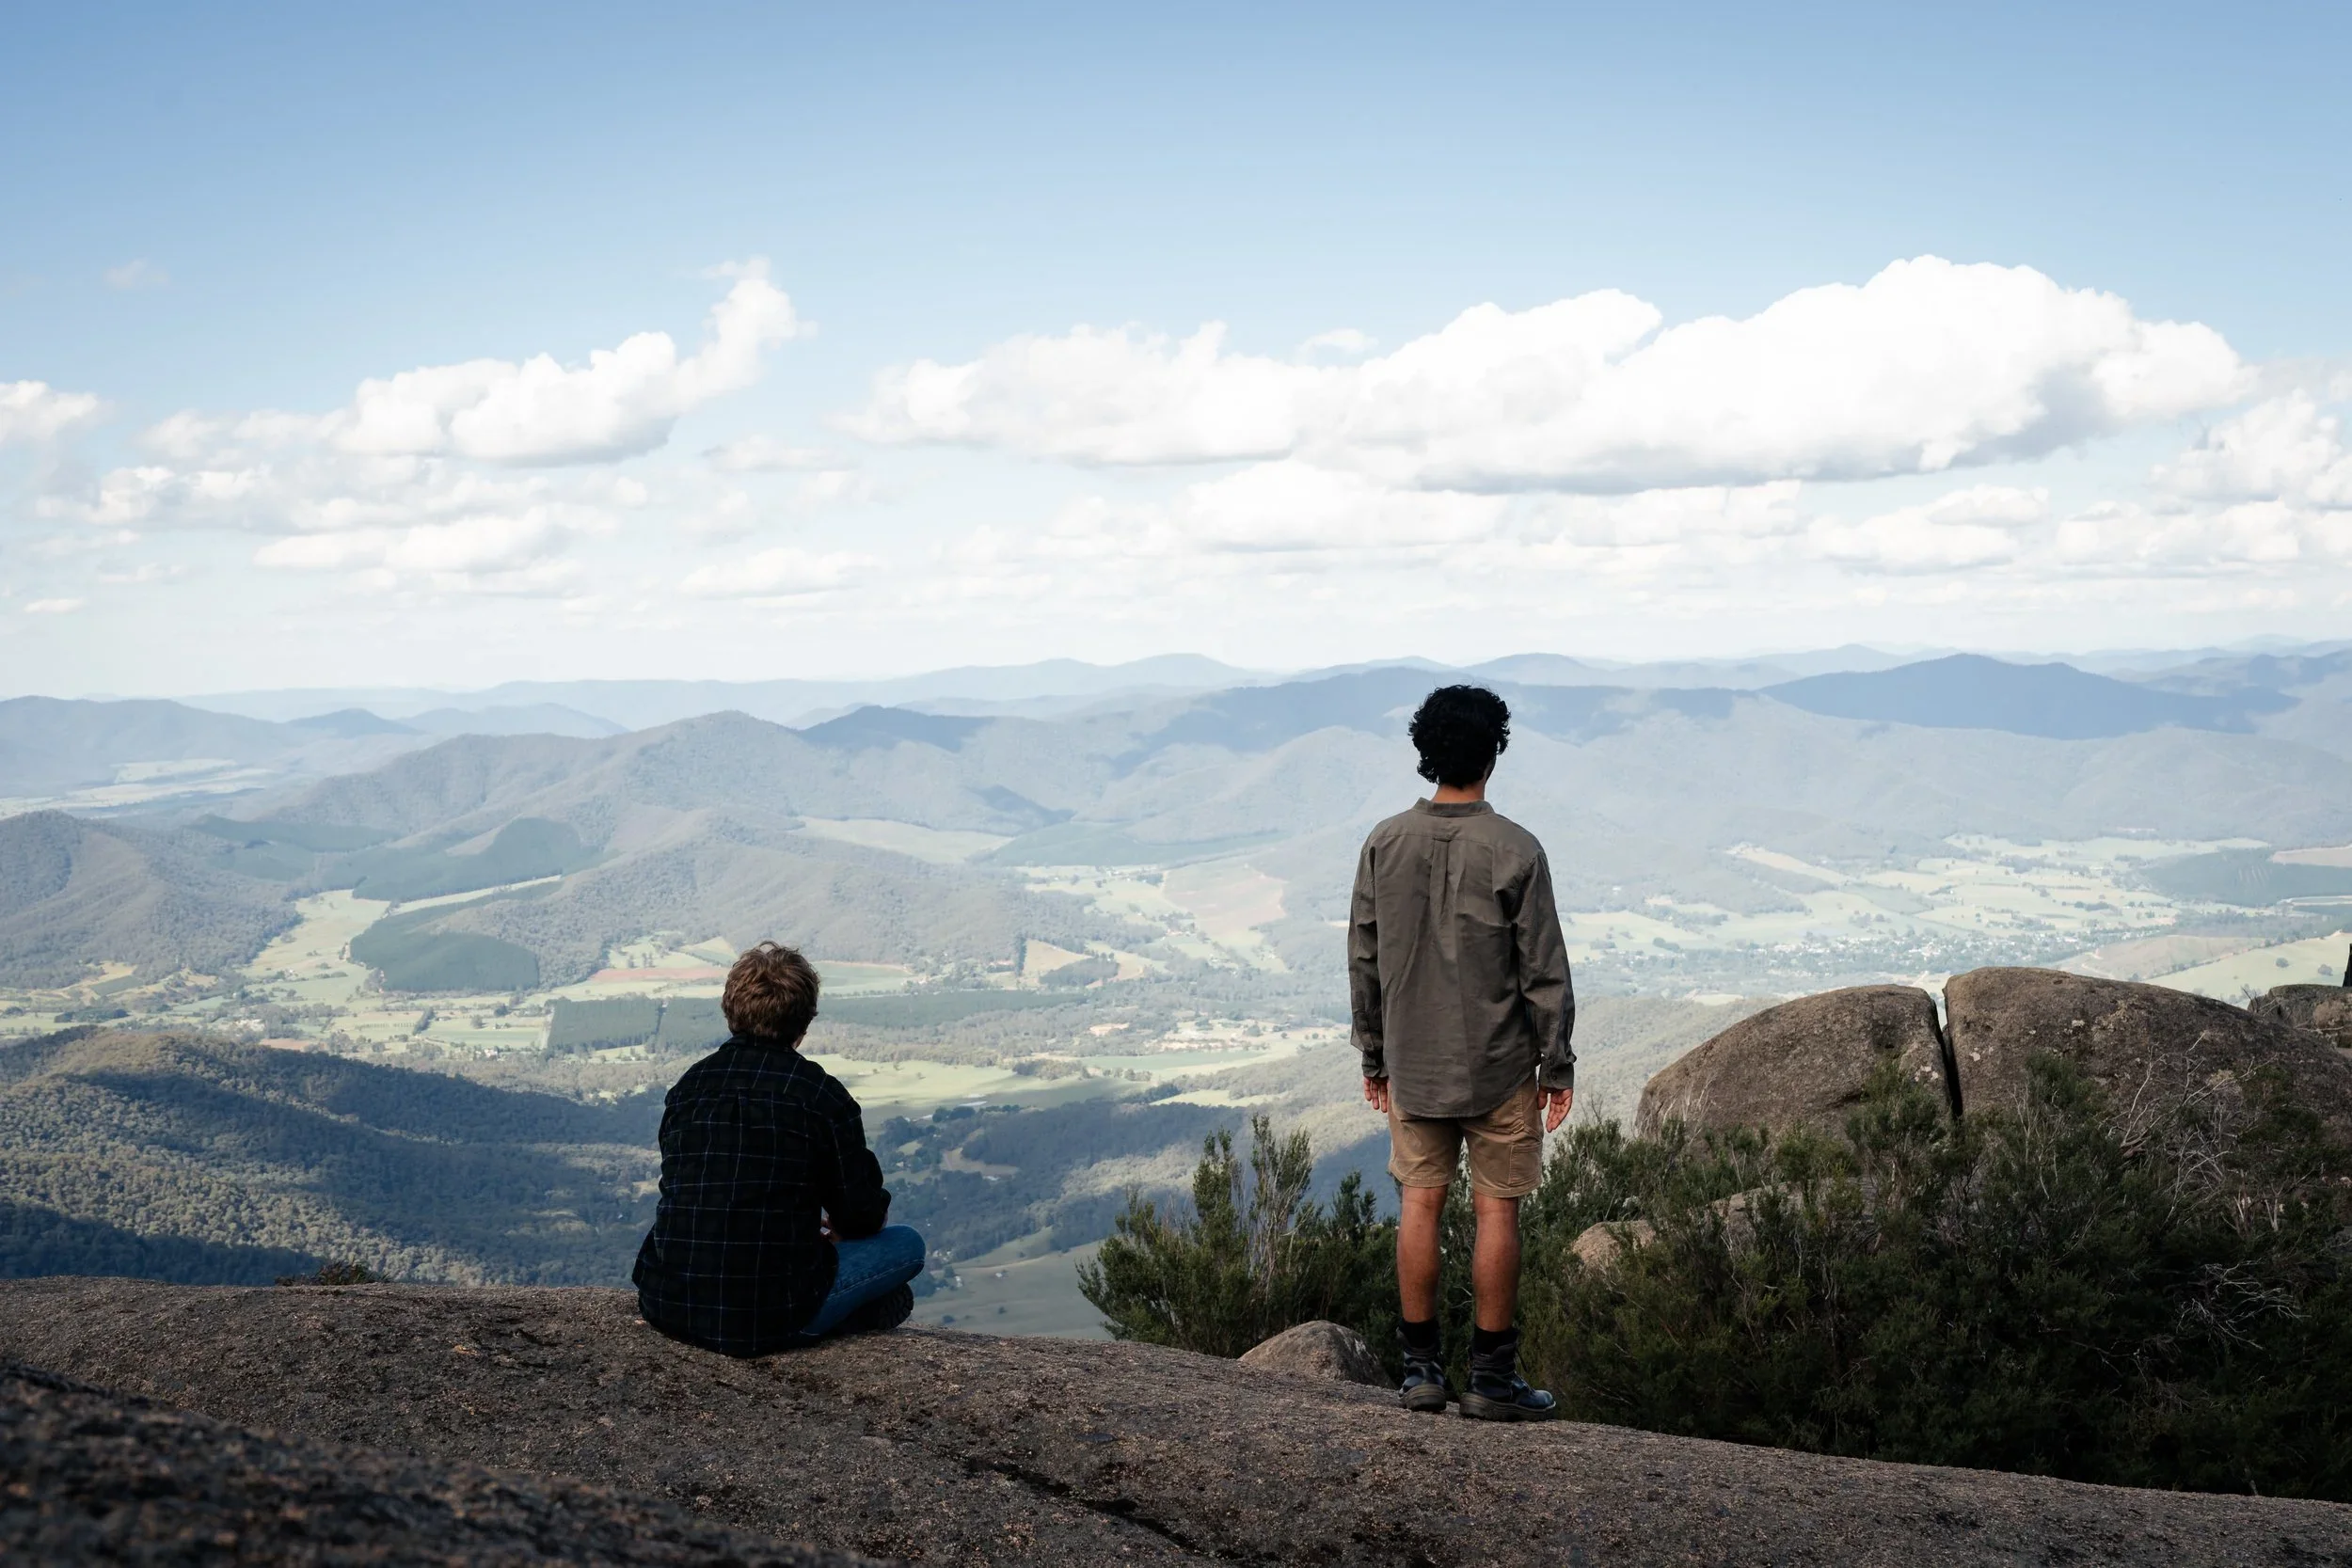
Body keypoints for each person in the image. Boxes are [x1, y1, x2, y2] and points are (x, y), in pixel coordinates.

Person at [1351, 685, 1576, 1420]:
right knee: (1496, 1213)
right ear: (1494, 752)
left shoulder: (1384, 842)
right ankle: (1491, 1380)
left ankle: (1420, 1371)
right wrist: (1557, 1063)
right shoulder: (1517, 848)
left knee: (1419, 1203)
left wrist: (1375, 1055)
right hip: (1500, 1066)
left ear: (1426, 753)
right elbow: (1543, 968)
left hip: (1414, 1065)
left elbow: (1366, 958)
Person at [634, 941, 925, 1355]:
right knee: (908, 1245)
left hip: (668, 1305)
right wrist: (837, 1234)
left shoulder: (689, 1087)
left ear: (730, 1012)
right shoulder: (821, 1096)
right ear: (803, 1024)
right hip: (773, 1317)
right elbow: (862, 1216)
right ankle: (848, 1315)